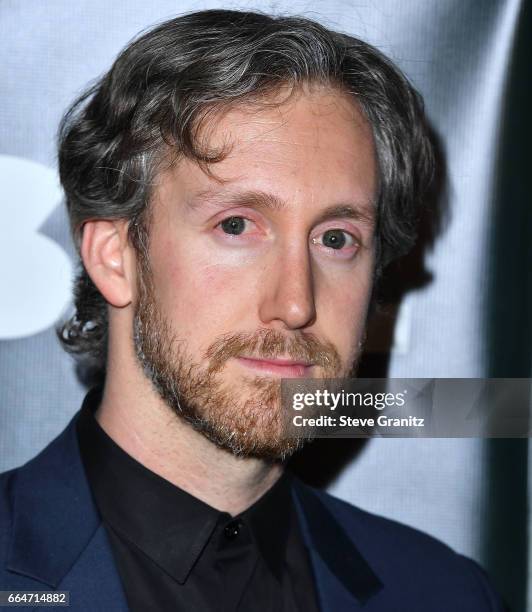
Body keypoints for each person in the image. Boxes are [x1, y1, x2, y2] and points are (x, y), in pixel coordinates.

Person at [0, 9, 503, 611]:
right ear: (115, 258)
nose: (295, 303)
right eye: (236, 225)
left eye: (336, 239)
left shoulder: (445, 594)